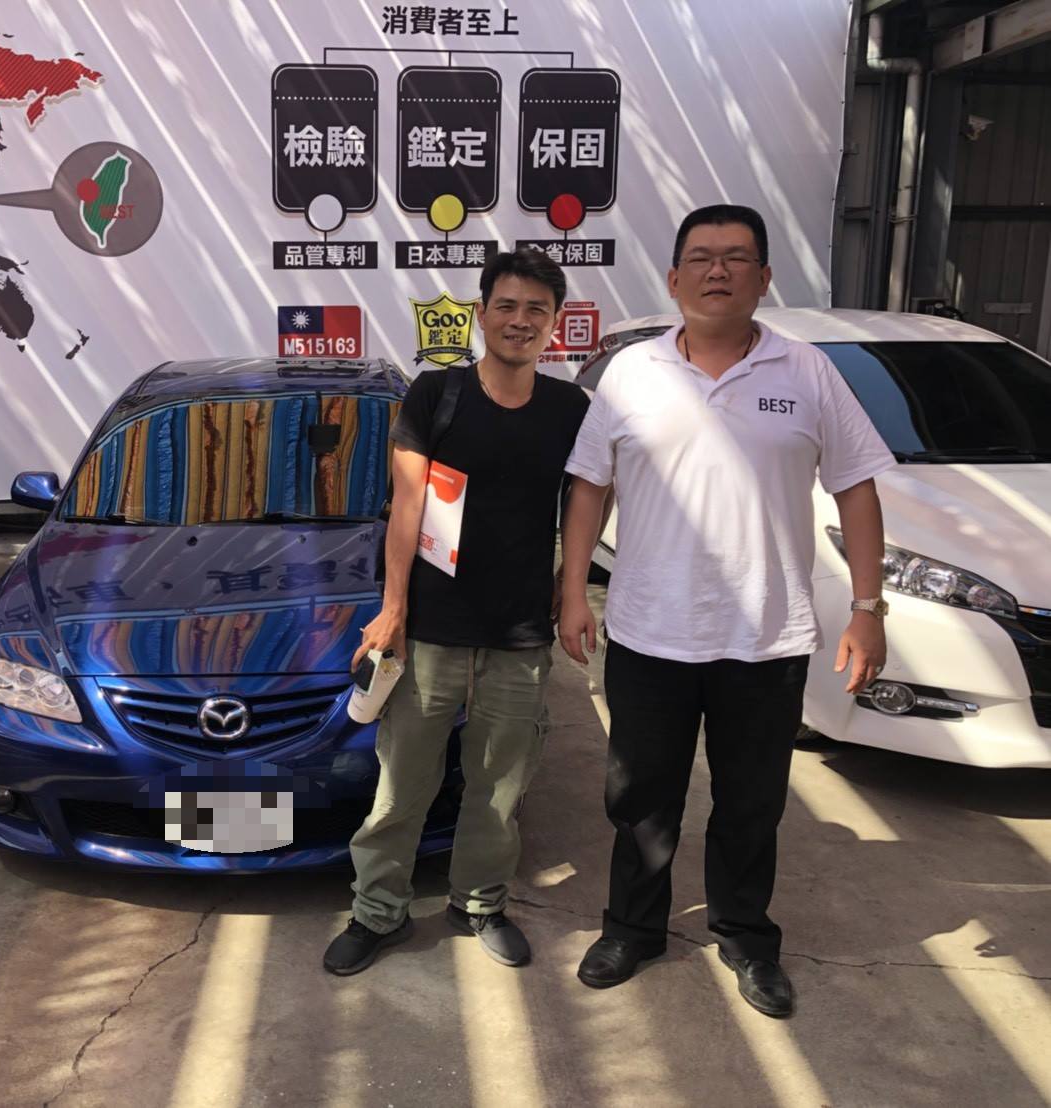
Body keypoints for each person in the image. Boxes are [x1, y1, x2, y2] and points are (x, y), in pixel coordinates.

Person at [558, 204, 893, 1018]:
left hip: (766, 637)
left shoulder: (806, 371)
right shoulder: (632, 373)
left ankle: (746, 937)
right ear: (674, 278)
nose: (719, 270)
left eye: (737, 257)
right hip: (650, 631)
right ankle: (633, 929)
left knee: (751, 802)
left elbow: (856, 487)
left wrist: (868, 608)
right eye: (702, 257)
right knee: (641, 797)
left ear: (764, 278)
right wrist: (570, 591)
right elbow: (590, 486)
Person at [323, 250, 590, 975]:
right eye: (507, 306)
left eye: (536, 310)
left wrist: (571, 593)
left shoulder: (570, 410)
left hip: (519, 635)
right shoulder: (437, 394)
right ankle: (377, 911)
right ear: (481, 313)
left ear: (555, 323)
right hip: (432, 634)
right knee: (400, 789)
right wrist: (393, 610)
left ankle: (478, 904)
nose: (520, 321)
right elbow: (407, 507)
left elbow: (586, 502)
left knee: (499, 790)